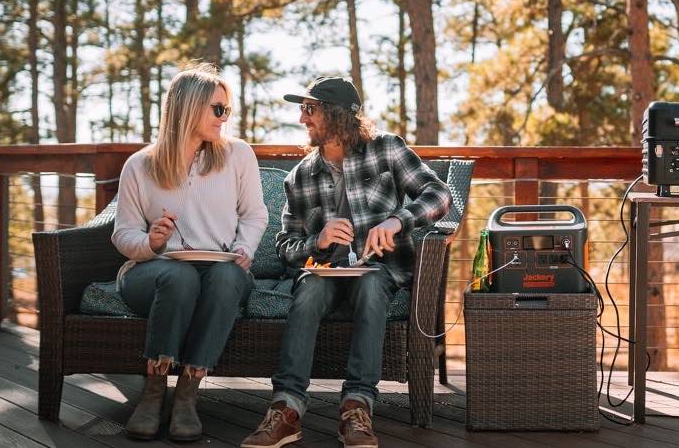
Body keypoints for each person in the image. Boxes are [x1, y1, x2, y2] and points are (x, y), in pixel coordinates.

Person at [241, 76, 451, 448]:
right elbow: (286, 246)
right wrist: (316, 241)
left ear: (337, 115)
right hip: (324, 273)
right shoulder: (301, 176)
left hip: (379, 270)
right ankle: (286, 409)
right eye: (302, 109)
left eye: (310, 109)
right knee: (308, 290)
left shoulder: (386, 149)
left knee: (371, 284)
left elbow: (439, 195)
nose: (303, 118)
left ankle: (356, 408)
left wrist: (397, 219)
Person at [112, 63, 268, 441]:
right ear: (188, 107)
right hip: (152, 272)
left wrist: (245, 247)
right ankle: (152, 394)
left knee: (229, 275)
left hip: (221, 271)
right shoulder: (141, 165)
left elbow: (254, 215)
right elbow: (122, 234)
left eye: (227, 110)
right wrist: (150, 242)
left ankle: (186, 395)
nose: (224, 117)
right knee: (179, 275)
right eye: (218, 108)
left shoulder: (237, 155)